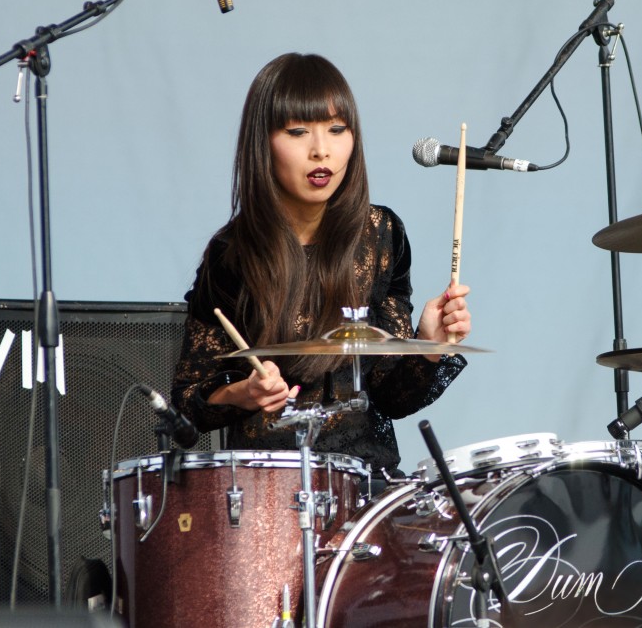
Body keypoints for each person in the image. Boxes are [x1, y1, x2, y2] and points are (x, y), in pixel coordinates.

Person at [171, 52, 471, 477]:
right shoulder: (231, 253)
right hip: (268, 494)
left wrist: (429, 345)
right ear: (263, 143)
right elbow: (188, 400)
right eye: (297, 132)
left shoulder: (381, 234)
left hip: (368, 488)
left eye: (336, 129)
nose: (321, 151)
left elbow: (392, 399)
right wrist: (242, 393)